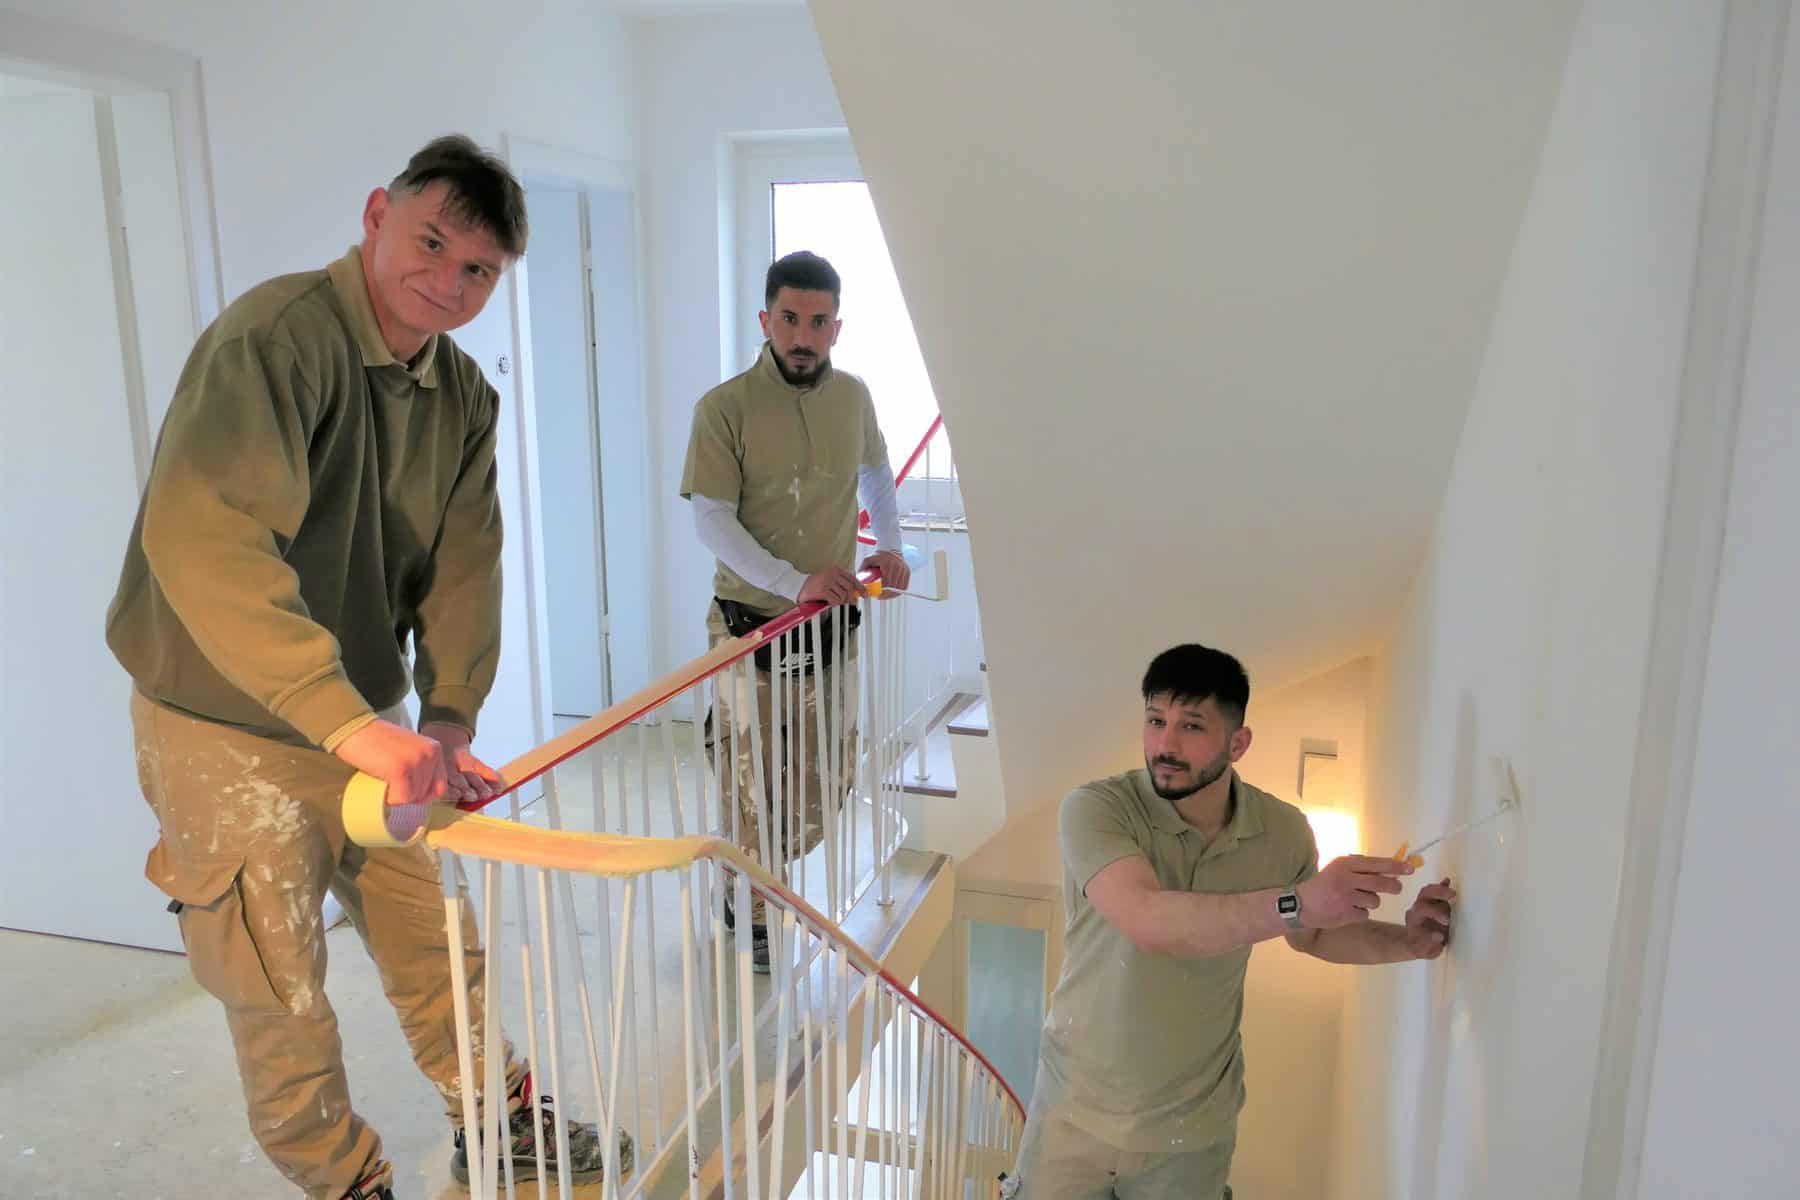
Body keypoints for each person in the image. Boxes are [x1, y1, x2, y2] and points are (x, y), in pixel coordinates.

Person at [107, 136, 626, 1199]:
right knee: (277, 979)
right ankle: (345, 1182)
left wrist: (446, 719)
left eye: (478, 269)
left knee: (436, 934)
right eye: (431, 243)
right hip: (226, 726)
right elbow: (205, 539)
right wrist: (347, 724)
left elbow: (464, 568)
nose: (449, 281)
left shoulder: (463, 395)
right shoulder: (274, 340)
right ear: (377, 215)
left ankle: (500, 1119)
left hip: (370, 721)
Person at [1004, 644, 1457, 1199]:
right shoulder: (1097, 809)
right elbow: (1147, 919)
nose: (1165, 745)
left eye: (1191, 726)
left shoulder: (1283, 832)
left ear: (1238, 743)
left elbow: (1314, 934)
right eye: (1156, 720)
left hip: (1192, 1129)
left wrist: (1407, 941)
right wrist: (1298, 901)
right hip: (1071, 1115)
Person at [678, 250, 909, 968]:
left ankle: (752, 874)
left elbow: (875, 473)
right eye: (789, 319)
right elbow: (712, 520)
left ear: (837, 327)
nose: (802, 336)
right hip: (748, 633)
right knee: (750, 782)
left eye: (817, 322)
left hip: (829, 632)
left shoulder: (855, 399)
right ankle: (750, 902)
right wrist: (793, 581)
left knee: (826, 779)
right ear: (765, 320)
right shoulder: (723, 409)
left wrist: (890, 546)